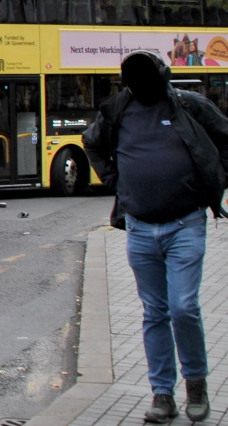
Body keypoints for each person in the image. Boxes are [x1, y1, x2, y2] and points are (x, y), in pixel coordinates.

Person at [84, 51, 228, 424]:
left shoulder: (187, 104)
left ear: (162, 76)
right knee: (154, 312)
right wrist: (118, 183)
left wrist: (216, 179)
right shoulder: (118, 110)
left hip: (185, 224)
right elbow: (92, 143)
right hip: (141, 229)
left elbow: (225, 137)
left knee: (183, 307)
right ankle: (162, 395)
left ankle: (196, 385)